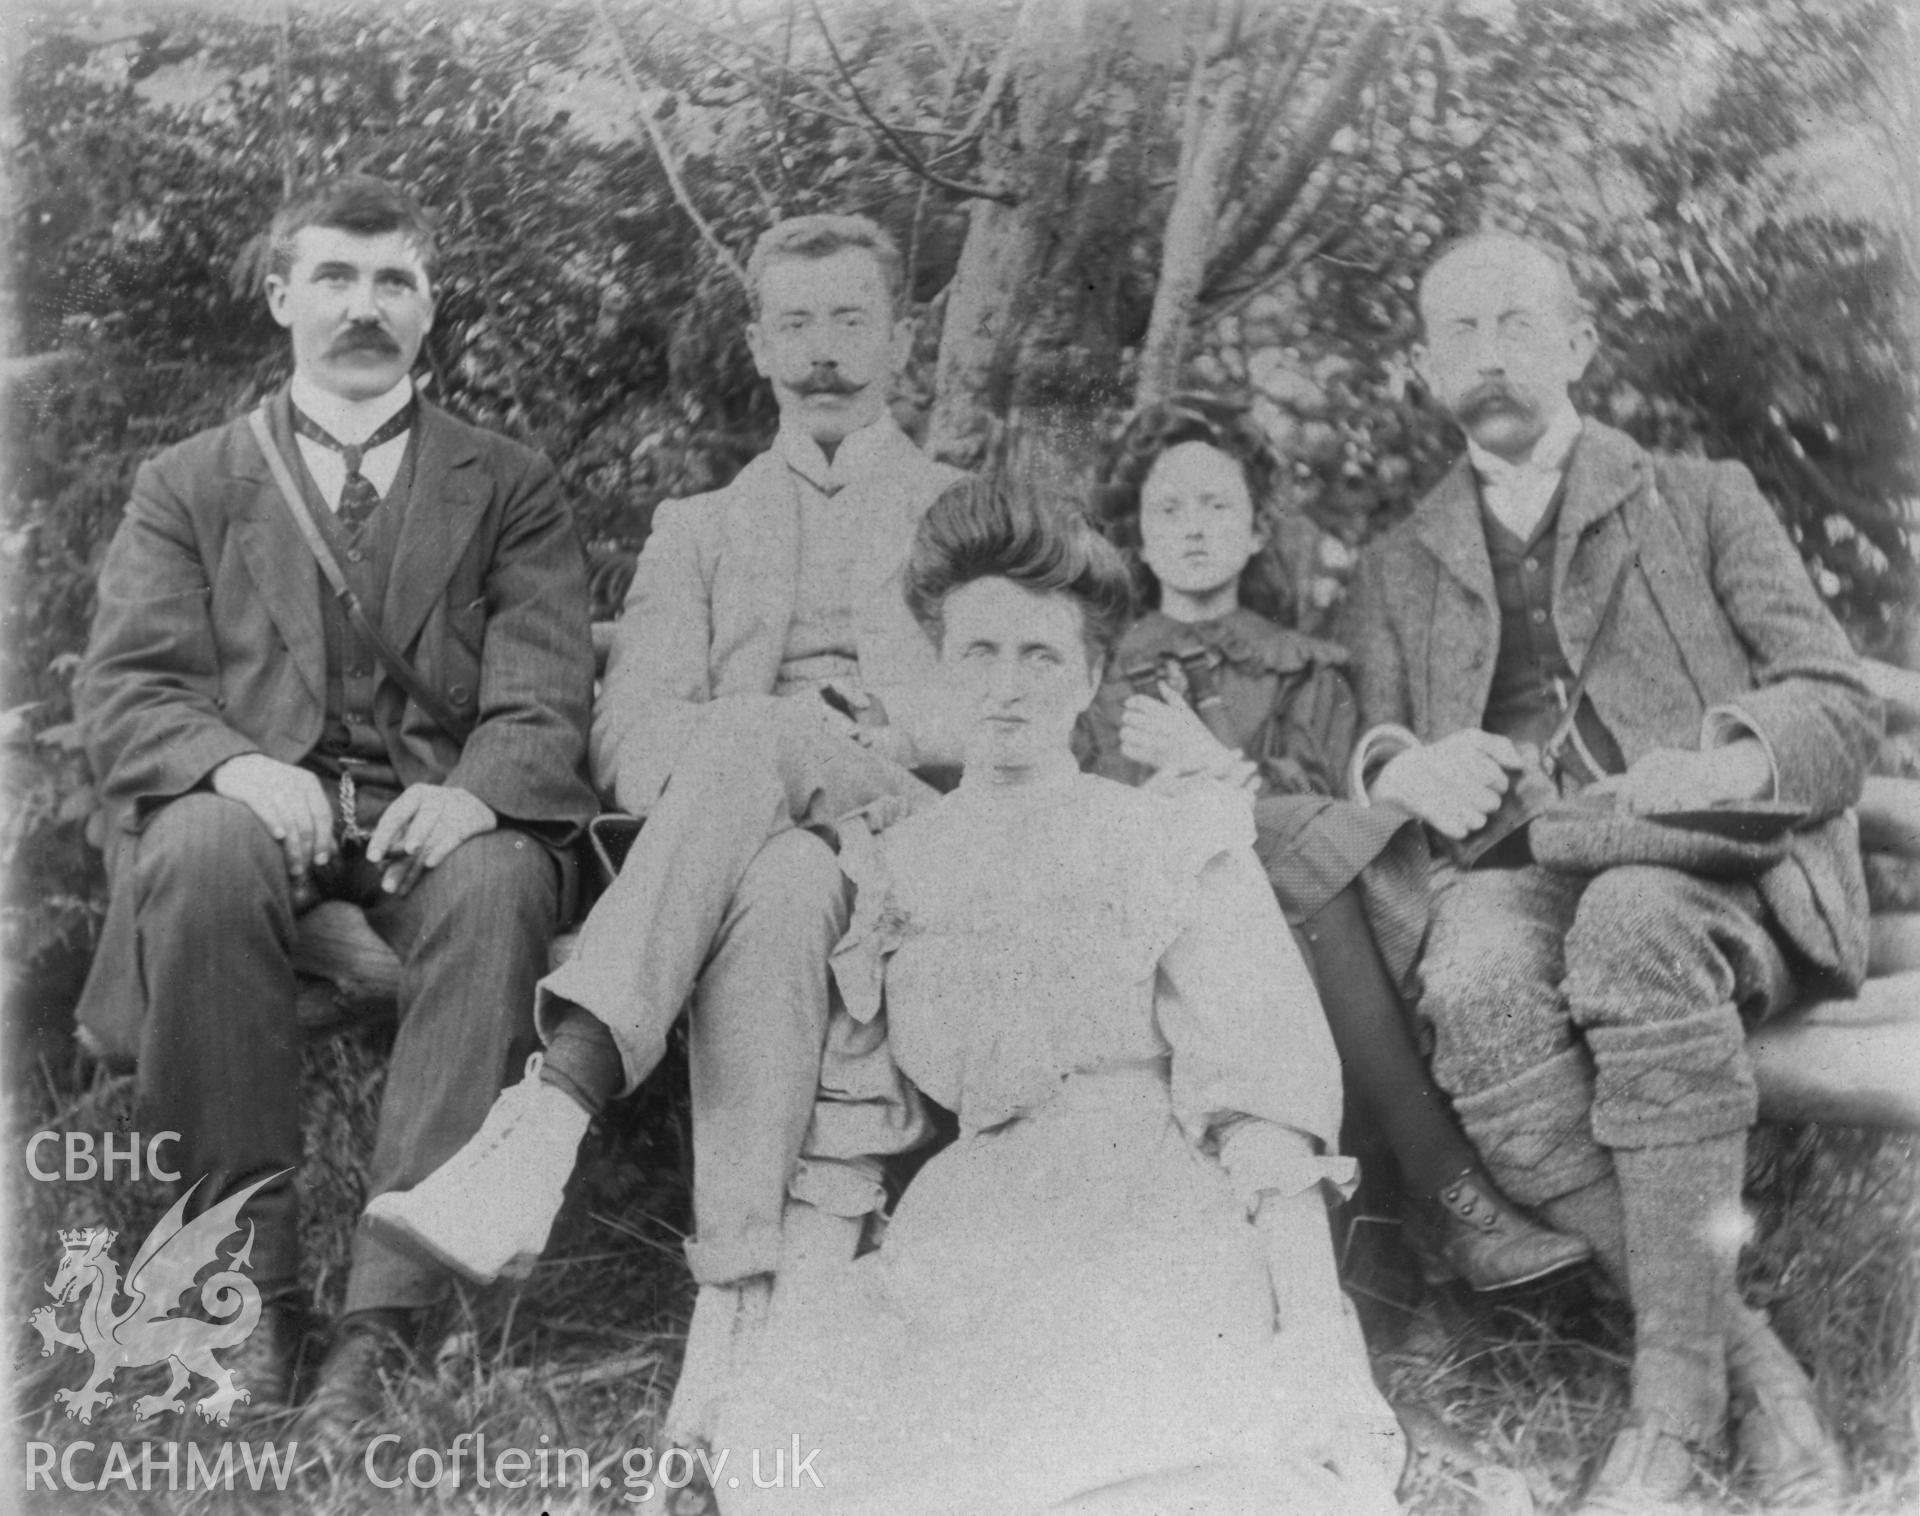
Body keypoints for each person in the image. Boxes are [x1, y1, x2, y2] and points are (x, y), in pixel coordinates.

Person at [365, 214, 964, 1440]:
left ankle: (553, 1111)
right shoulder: (698, 529)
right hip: (764, 860)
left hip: (923, 841)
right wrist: (771, 735)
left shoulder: (969, 515)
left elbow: (1020, 700)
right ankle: (736, 1313)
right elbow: (631, 745)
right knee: (786, 881)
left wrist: (860, 736)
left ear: (903, 340)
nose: (823, 352)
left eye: (852, 319)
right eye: (793, 323)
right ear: (754, 344)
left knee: (756, 738)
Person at [715, 480, 1404, 1516]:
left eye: (1041, 656)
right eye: (979, 654)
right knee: (797, 1452)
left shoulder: (1168, 836)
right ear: (941, 666)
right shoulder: (897, 864)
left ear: (1089, 677)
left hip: (1152, 1219)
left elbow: (1264, 1112)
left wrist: (1316, 1337)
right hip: (970, 1230)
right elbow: (849, 1147)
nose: (1009, 686)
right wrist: (782, 1354)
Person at [1341, 230, 1876, 1510]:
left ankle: (1673, 1409)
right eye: (1458, 333)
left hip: (1719, 873)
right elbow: (1362, 750)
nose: (1489, 353)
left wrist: (1732, 761)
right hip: (1518, 880)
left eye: (1517, 322)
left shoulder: (1699, 495)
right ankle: (1757, 1367)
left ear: (1578, 342)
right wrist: (1405, 771)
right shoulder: (1394, 564)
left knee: (1628, 921)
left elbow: (1835, 703)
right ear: (1424, 369)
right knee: (1468, 979)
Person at [73, 175, 596, 1446]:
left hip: (433, 835)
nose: (364, 307)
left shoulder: (510, 482)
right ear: (279, 297)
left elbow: (544, 695)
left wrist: (472, 799)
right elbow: (130, 690)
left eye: (394, 281)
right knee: (194, 844)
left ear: (430, 308)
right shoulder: (191, 483)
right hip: (260, 828)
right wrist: (237, 767)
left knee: (504, 881)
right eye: (334, 278)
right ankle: (241, 1284)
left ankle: (386, 1318)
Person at [1082, 394, 1589, 1292]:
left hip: (1302, 925)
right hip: (1156, 926)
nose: (1192, 529)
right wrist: (1213, 794)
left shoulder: (1307, 669)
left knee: (1304, 853)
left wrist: (1215, 769)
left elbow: (1330, 827)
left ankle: (1393, 1238)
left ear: (1253, 532)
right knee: (1246, 836)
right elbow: (1100, 818)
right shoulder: (1103, 681)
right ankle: (1450, 1189)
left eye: (1216, 507)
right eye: (1168, 509)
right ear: (1138, 536)